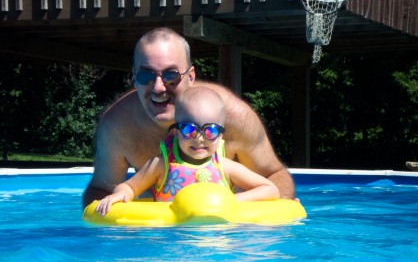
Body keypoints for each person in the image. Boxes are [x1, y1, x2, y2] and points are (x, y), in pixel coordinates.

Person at [83, 27, 295, 208]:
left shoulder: (234, 117)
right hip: (159, 236)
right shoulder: (118, 125)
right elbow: (101, 190)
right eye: (146, 75)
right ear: (134, 78)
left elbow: (275, 178)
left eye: (171, 75)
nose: (158, 87)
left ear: (190, 76)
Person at [96, 87, 280, 216]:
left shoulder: (225, 167)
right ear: (176, 132)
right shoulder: (162, 165)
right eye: (189, 129)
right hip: (171, 243)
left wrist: (232, 200)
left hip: (217, 243)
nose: (199, 138)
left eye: (210, 130)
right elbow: (129, 186)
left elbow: (270, 189)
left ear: (221, 135)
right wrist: (122, 193)